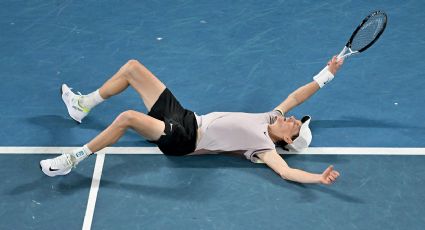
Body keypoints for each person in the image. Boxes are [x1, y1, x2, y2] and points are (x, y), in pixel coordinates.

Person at [40, 56, 343, 185]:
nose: (292, 118)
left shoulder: (264, 147)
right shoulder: (271, 117)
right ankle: (83, 105)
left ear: (288, 140)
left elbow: (287, 172)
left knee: (128, 118)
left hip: (184, 140)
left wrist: (318, 178)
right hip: (185, 116)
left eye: (295, 125)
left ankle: (73, 159)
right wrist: (327, 74)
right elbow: (298, 96)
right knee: (133, 68)